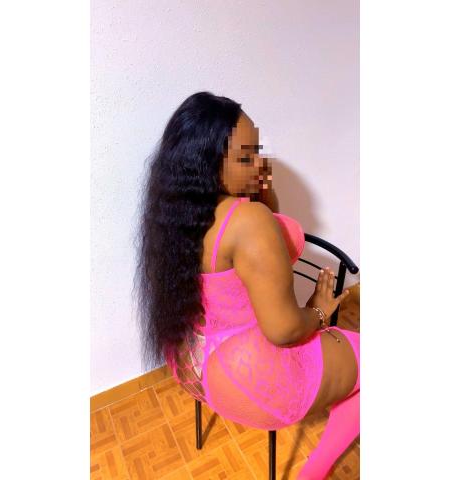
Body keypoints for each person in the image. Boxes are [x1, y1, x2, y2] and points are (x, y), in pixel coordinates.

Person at [135, 91, 359, 479]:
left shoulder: (177, 213)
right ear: (207, 165)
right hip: (249, 376)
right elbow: (283, 329)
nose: (258, 163)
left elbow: (267, 248)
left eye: (258, 150)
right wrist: (320, 310)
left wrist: (261, 187)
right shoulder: (249, 222)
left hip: (194, 365)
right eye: (245, 158)